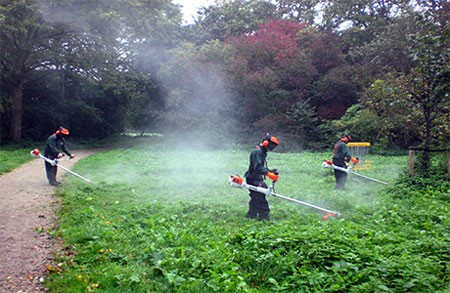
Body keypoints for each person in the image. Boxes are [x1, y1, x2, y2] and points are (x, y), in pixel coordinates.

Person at [244, 134, 279, 220]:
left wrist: (270, 171)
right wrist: (269, 174)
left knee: (256, 196)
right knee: (260, 197)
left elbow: (261, 167)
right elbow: (258, 167)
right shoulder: (257, 152)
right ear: (266, 142)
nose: (273, 147)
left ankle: (251, 215)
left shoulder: (262, 152)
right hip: (253, 179)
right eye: (272, 145)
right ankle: (264, 217)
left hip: (257, 178)